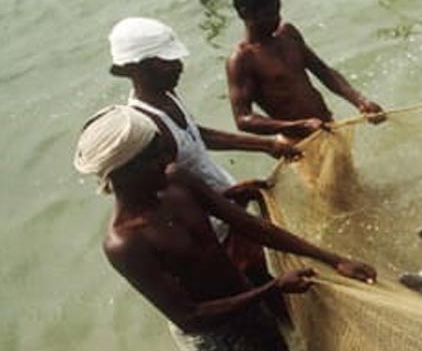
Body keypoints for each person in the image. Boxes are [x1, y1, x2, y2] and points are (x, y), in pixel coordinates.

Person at [74, 105, 377, 351]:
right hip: (216, 339)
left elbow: (247, 224)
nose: (168, 155)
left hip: (247, 299)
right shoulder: (125, 242)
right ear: (127, 171)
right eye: (156, 152)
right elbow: (190, 317)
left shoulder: (176, 180)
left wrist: (333, 259)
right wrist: (273, 288)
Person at [109, 16, 300, 320]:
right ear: (136, 68)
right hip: (212, 229)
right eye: (166, 62)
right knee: (258, 299)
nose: (178, 66)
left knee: (272, 288)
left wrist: (266, 145)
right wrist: (226, 200)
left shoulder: (165, 93)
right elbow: (168, 192)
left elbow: (197, 135)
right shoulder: (146, 130)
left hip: (229, 207)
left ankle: (292, 331)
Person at [226, 0, 386, 140]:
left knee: (349, 167)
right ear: (246, 13)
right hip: (298, 143)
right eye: (269, 14)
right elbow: (243, 119)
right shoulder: (242, 59)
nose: (277, 18)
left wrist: (360, 101)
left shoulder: (288, 34)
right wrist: (298, 126)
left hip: (328, 127)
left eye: (278, 10)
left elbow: (324, 72)